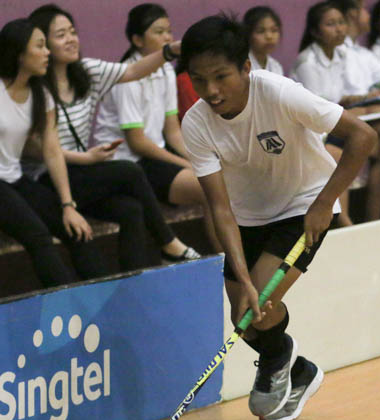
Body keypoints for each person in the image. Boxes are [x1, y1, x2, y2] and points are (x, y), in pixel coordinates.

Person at [179, 15, 376, 420]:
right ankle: (295, 367)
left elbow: (363, 136)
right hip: (246, 215)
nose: (211, 91)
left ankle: (281, 361)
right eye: (199, 80)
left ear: (246, 68)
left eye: (221, 77)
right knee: (242, 317)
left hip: (303, 206)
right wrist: (242, 277)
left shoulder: (281, 93)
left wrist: (325, 203)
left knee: (261, 309)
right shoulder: (196, 123)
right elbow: (219, 208)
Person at [29, 4, 199, 271]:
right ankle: (169, 244)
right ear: (41, 44)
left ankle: (134, 279)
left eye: (72, 32)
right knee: (129, 171)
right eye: (61, 35)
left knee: (131, 210)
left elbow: (131, 71)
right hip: (45, 178)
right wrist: (84, 158)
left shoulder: (86, 71)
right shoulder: (33, 87)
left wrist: (169, 52)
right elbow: (35, 151)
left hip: (79, 171)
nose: (71, 39)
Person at [93, 3, 221, 253]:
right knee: (210, 187)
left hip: (155, 158)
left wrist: (199, 158)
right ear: (137, 39)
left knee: (217, 178)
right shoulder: (126, 78)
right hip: (129, 163)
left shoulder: (165, 71)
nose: (168, 38)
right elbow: (137, 142)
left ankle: (237, 258)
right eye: (159, 32)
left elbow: (172, 131)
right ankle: (228, 262)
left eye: (169, 31)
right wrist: (185, 165)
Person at [291, 1, 380, 219]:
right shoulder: (307, 62)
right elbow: (317, 111)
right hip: (318, 131)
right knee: (378, 131)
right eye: (331, 24)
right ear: (315, 32)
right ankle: (348, 222)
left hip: (338, 120)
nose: (339, 29)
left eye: (340, 23)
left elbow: (340, 98)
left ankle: (375, 218)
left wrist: (356, 99)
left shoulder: (340, 55)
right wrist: (359, 100)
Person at [0, 18, 107, 288]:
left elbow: (52, 151)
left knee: (77, 230)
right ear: (19, 53)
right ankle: (67, 312)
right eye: (40, 46)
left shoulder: (41, 93)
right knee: (39, 237)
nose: (47, 52)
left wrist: (68, 206)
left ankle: (106, 302)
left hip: (15, 178)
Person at [244, 6, 284, 75]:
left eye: (274, 30)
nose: (269, 36)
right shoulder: (242, 65)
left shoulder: (276, 66)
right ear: (248, 34)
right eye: (261, 31)